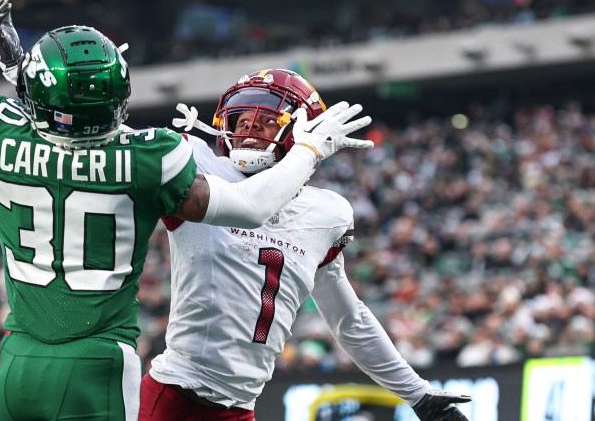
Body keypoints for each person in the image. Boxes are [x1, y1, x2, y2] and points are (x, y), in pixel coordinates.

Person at [0, 0, 374, 419]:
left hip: (18, 362)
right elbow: (252, 206)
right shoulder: (147, 159)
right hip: (97, 366)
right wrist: (309, 147)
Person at [141, 69, 471, 421]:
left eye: (268, 120)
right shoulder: (198, 166)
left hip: (239, 408)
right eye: (241, 119)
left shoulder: (326, 213)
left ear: (305, 130)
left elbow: (349, 319)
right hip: (175, 397)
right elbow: (250, 205)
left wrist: (418, 394)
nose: (250, 129)